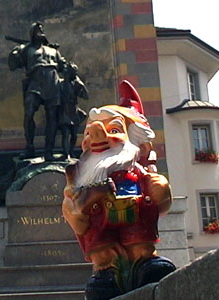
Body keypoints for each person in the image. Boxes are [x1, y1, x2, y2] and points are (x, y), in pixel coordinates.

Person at [62, 80, 176, 299]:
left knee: (141, 245)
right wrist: (87, 200)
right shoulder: (79, 180)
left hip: (136, 223)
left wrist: (161, 191)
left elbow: (162, 202)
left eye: (114, 129)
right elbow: (76, 219)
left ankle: (145, 263)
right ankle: (106, 273)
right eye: (87, 133)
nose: (95, 137)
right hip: (102, 237)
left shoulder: (141, 173)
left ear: (136, 142)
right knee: (103, 251)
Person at [8, 22, 66, 161]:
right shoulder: (26, 49)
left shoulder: (53, 51)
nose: (40, 31)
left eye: (41, 29)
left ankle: (49, 151)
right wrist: (15, 53)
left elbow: (63, 67)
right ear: (32, 33)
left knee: (52, 117)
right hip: (35, 82)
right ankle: (29, 147)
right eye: (37, 29)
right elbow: (13, 65)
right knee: (29, 113)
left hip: (53, 82)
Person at [59, 62, 89, 159]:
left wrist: (80, 84)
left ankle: (71, 151)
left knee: (74, 134)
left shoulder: (76, 84)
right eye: (72, 72)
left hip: (73, 110)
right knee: (65, 133)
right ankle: (66, 153)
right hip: (64, 110)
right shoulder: (60, 83)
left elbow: (86, 96)